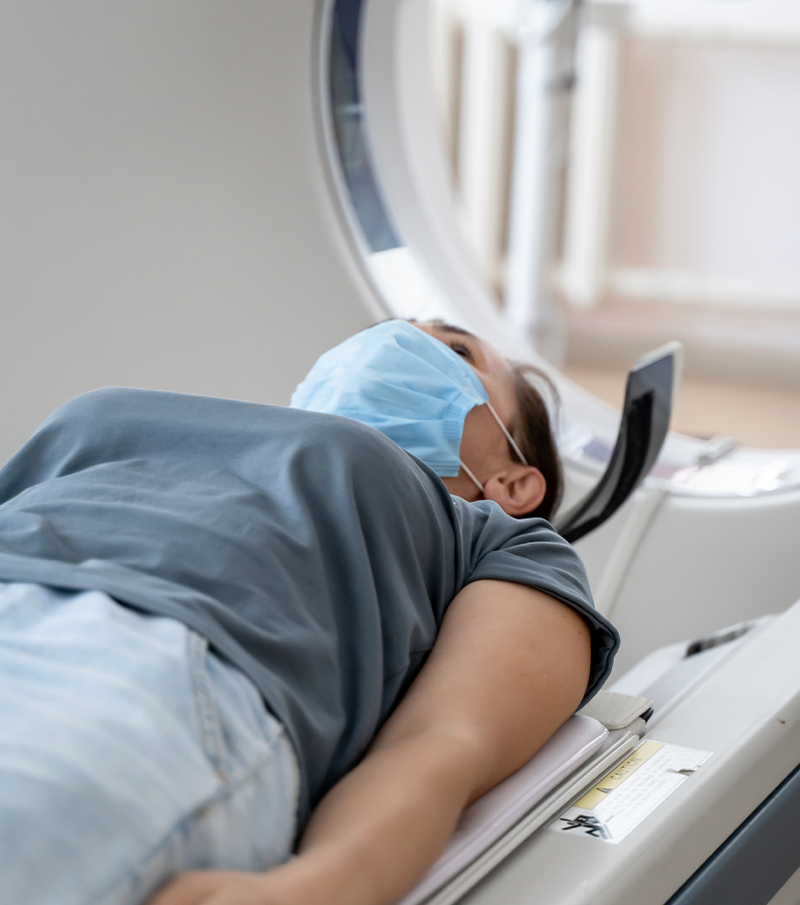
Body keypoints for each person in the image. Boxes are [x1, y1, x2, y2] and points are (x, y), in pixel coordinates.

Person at [0, 319, 618, 905]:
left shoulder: (499, 540)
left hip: (152, 666)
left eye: (455, 350)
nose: (395, 342)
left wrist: (315, 887)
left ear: (513, 483)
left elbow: (445, 741)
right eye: (387, 331)